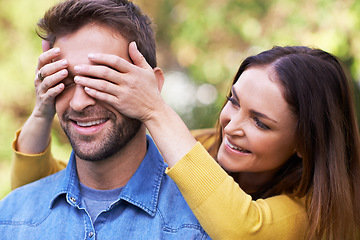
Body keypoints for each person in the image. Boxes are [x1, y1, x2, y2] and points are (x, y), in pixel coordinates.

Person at [10, 43, 360, 239]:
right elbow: (43, 193)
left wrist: (153, 109)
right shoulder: (198, 148)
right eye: (234, 102)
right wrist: (43, 109)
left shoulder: (312, 211)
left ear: (304, 144)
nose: (231, 126)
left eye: (261, 123)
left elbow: (242, 229)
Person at [0, 0, 211, 239]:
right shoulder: (9, 218)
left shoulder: (203, 226)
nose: (79, 103)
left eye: (103, 80)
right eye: (65, 82)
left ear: (154, 86)